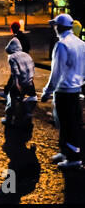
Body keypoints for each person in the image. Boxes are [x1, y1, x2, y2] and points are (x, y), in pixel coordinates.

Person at [41, 14, 85, 169]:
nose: (54, 28)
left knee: (66, 124)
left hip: (63, 91)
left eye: (55, 25)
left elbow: (56, 72)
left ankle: (73, 158)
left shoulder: (62, 45)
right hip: (75, 89)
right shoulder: (81, 43)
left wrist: (47, 92)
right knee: (72, 123)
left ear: (59, 27)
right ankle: (66, 152)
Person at [1, 38, 37, 126]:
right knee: (30, 97)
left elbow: (15, 72)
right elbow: (32, 69)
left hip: (20, 82)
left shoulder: (12, 57)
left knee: (11, 97)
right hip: (30, 81)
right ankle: (28, 114)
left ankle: (8, 118)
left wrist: (16, 84)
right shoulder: (27, 55)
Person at [0, 21, 31, 99]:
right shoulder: (24, 36)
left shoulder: (15, 38)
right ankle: (23, 94)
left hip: (19, 59)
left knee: (14, 76)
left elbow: (8, 49)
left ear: (12, 29)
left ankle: (7, 93)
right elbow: (28, 47)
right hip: (26, 59)